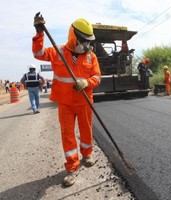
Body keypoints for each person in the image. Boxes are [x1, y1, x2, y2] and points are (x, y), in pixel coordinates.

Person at [32, 13, 101, 187]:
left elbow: (98, 77)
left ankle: (87, 154)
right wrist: (39, 33)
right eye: (84, 40)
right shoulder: (58, 52)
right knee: (68, 136)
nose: (87, 44)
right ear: (74, 36)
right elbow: (38, 53)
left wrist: (87, 82)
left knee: (86, 131)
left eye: (89, 41)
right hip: (65, 104)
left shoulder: (90, 56)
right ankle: (72, 167)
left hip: (85, 101)